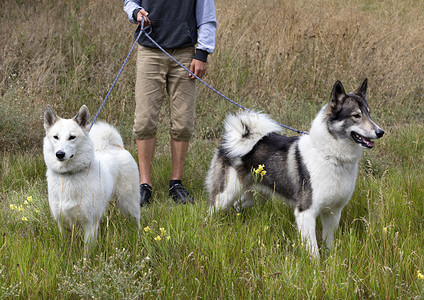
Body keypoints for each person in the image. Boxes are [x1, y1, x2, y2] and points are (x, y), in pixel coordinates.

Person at [123, 0, 217, 205]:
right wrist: (137, 12)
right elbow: (129, 2)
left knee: (183, 123)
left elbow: (207, 16)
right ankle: (144, 185)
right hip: (149, 51)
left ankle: (176, 183)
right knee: (144, 122)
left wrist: (202, 53)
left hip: (185, 55)